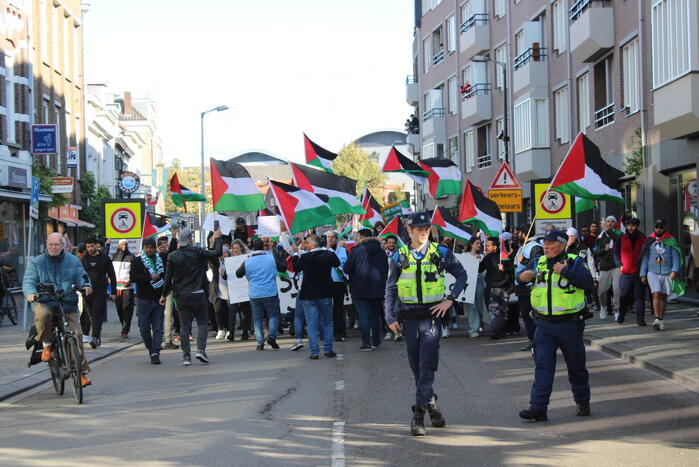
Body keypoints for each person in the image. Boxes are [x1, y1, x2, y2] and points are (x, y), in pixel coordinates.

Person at [384, 212, 467, 436]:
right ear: (409, 231)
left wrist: (450, 300)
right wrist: (389, 317)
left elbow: (461, 275)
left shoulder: (440, 252)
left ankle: (418, 415)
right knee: (416, 367)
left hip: (432, 318)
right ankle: (432, 404)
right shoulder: (398, 256)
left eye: (426, 229)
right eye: (418, 229)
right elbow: (391, 288)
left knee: (427, 365)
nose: (423, 233)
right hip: (409, 319)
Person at [517, 230, 594, 422]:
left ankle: (582, 401)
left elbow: (587, 283)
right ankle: (538, 408)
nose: (547, 247)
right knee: (543, 367)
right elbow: (519, 278)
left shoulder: (574, 261)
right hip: (544, 325)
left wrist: (566, 271)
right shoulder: (539, 261)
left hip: (570, 325)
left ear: (562, 245)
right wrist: (521, 277)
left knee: (576, 367)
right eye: (545, 244)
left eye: (551, 244)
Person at [23, 232, 93, 387]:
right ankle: (47, 345)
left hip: (67, 302)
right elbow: (28, 281)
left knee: (77, 335)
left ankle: (80, 374)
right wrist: (30, 294)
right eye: (50, 244)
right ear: (46, 245)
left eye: (57, 245)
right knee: (42, 315)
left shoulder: (73, 260)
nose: (53, 247)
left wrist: (86, 285)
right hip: (45, 301)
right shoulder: (37, 262)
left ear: (63, 246)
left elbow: (82, 275)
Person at [160, 228, 222, 365]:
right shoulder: (197, 251)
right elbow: (217, 253)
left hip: (181, 295)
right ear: (190, 238)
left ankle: (186, 357)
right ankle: (201, 350)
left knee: (184, 326)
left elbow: (168, 278)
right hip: (198, 293)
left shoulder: (173, 256)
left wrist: (163, 295)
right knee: (202, 323)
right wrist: (217, 238)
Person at [293, 234, 340, 360]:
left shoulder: (305, 257)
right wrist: (330, 250)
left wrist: (295, 254)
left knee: (312, 323)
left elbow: (295, 267)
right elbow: (337, 262)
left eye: (307, 243)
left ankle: (314, 351)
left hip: (309, 294)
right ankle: (328, 349)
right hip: (324, 293)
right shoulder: (328, 255)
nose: (305, 245)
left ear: (313, 244)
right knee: (327, 322)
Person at [236, 239, 286, 350]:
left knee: (258, 318)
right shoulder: (270, 258)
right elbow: (283, 267)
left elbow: (238, 274)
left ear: (252, 248)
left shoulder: (247, 261)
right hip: (270, 292)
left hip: (255, 293)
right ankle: (272, 336)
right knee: (273, 315)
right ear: (263, 247)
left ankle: (260, 342)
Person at [344, 228, 388, 351]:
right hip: (377, 287)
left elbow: (347, 268)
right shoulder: (381, 251)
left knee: (363, 315)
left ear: (361, 236)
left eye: (357, 236)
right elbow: (386, 268)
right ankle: (376, 341)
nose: (356, 239)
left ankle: (366, 343)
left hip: (359, 287)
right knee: (375, 315)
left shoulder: (357, 250)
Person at [639, 219, 682, 331]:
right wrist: (643, 274)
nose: (658, 229)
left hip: (667, 272)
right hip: (652, 271)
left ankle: (661, 319)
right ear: (654, 227)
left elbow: (676, 257)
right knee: (656, 293)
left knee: (663, 296)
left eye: (661, 227)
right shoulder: (650, 240)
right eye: (656, 227)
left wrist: (674, 270)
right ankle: (656, 318)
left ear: (664, 228)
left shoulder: (671, 240)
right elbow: (645, 258)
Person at [130, 238, 167, 364]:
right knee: (143, 327)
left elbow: (167, 275)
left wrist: (165, 293)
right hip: (143, 299)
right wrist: (148, 277)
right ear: (143, 248)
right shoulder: (137, 261)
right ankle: (150, 347)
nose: (149, 250)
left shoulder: (161, 259)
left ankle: (155, 351)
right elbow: (133, 277)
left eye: (151, 247)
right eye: (147, 247)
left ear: (155, 247)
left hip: (158, 299)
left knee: (158, 327)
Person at [80, 237, 117, 349]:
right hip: (87, 291)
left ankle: (95, 337)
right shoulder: (84, 259)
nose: (90, 249)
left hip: (100, 290)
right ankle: (87, 333)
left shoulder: (104, 258)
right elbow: (79, 274)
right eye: (88, 247)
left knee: (97, 313)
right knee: (89, 313)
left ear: (96, 246)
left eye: (92, 246)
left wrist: (113, 291)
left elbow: (112, 275)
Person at [514, 225, 543, 350]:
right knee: (526, 315)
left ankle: (536, 341)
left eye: (517, 232)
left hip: (529, 288)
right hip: (521, 287)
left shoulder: (535, 247)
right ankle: (533, 339)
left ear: (524, 234)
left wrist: (524, 261)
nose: (515, 235)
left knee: (531, 315)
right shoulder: (524, 246)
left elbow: (537, 267)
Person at [479, 236, 514, 340]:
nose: (486, 247)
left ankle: (500, 330)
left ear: (495, 247)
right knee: (493, 310)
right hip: (491, 288)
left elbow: (512, 269)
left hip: (504, 288)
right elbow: (480, 269)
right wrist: (475, 260)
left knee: (503, 310)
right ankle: (496, 331)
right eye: (485, 245)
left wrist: (505, 269)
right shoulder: (487, 257)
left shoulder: (504, 256)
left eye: (488, 245)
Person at [614, 218, 647, 325]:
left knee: (639, 296)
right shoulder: (622, 238)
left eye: (633, 225)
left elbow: (647, 254)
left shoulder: (643, 238)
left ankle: (640, 319)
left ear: (637, 226)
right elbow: (616, 253)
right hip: (626, 272)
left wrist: (644, 270)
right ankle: (621, 315)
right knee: (623, 295)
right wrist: (619, 265)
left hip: (639, 272)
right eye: (628, 225)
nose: (630, 227)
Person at [593, 216, 620, 319]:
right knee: (602, 290)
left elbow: (617, 241)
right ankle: (603, 307)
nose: (609, 223)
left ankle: (617, 309)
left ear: (615, 223)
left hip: (616, 265)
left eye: (612, 221)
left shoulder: (618, 233)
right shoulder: (600, 236)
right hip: (604, 266)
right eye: (608, 221)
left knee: (617, 290)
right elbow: (595, 251)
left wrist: (608, 231)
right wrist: (604, 249)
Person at [325, 230, 348, 342]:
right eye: (328, 237)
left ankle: (340, 332)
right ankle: (331, 332)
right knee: (328, 308)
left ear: (336, 239)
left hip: (338, 283)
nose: (330, 239)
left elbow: (342, 263)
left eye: (332, 237)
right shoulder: (323, 251)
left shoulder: (342, 250)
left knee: (339, 308)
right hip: (327, 283)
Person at [157, 235, 179, 350]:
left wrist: (174, 237)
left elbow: (173, 251)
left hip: (168, 289)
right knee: (156, 314)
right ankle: (157, 338)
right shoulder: (152, 257)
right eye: (160, 243)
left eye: (165, 242)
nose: (162, 245)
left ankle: (167, 339)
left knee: (168, 314)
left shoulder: (169, 256)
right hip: (155, 290)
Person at [464, 237, 488, 338]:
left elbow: (484, 271)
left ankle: (480, 323)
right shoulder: (465, 255)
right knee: (471, 306)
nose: (479, 245)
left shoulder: (482, 256)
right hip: (468, 282)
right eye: (477, 243)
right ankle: (473, 329)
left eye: (480, 243)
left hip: (479, 281)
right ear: (471, 244)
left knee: (479, 305)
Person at [230, 240, 253, 340]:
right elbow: (227, 276)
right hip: (233, 290)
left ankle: (245, 333)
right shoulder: (229, 260)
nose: (235, 250)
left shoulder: (246, 259)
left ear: (241, 249)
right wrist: (223, 273)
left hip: (244, 289)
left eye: (237, 248)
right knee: (232, 312)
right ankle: (231, 334)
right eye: (234, 248)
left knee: (245, 312)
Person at [112, 240, 136, 338]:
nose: (124, 246)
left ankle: (125, 329)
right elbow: (111, 271)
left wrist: (131, 280)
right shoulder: (114, 256)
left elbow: (135, 271)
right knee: (119, 309)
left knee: (127, 309)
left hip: (128, 287)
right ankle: (123, 325)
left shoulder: (132, 257)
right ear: (118, 245)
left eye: (126, 244)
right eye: (122, 244)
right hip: (117, 287)